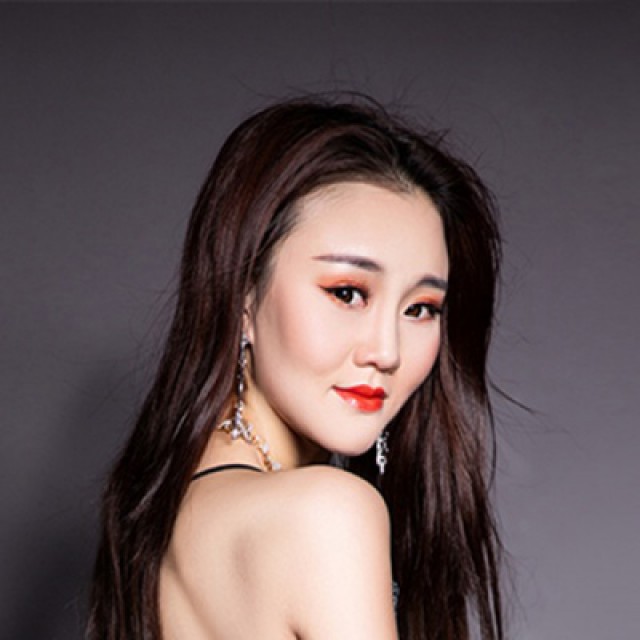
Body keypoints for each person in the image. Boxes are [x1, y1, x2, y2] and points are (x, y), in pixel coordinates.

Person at [88, 94, 504, 640]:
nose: (387, 351)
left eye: (420, 308)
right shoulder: (329, 515)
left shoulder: (158, 521)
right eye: (347, 293)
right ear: (242, 296)